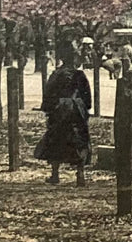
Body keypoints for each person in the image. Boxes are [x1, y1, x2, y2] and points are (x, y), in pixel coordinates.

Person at [34, 41, 92, 186]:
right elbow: (87, 96)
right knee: (79, 140)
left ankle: (55, 174)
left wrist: (48, 109)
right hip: (76, 109)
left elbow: (48, 94)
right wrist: (84, 108)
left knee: (56, 138)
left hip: (60, 109)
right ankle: (80, 174)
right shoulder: (80, 75)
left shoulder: (56, 74)